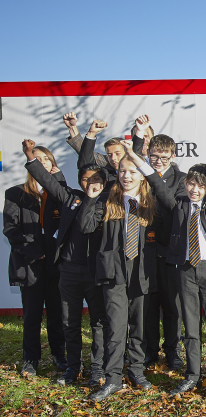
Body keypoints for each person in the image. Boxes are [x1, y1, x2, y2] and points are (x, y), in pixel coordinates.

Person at [125, 138, 206, 398]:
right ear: (185, 184)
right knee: (191, 327)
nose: (195, 190)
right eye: (191, 184)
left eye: (200, 186)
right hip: (184, 269)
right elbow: (156, 182)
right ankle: (192, 375)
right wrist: (135, 157)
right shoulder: (177, 206)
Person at [78, 145, 167, 402]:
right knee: (116, 326)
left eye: (132, 171)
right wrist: (91, 197)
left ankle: (137, 371)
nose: (126, 176)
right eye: (122, 171)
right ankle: (113, 378)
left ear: (141, 175)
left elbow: (163, 235)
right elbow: (85, 226)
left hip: (142, 272)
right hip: (113, 273)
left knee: (139, 325)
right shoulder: (108, 199)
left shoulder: (152, 205)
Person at [23, 141, 109, 387]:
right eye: (84, 179)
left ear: (103, 183)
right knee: (69, 322)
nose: (88, 183)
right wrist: (31, 158)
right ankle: (72, 367)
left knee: (98, 324)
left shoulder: (107, 205)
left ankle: (96, 369)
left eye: (95, 179)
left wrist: (94, 198)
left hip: (95, 273)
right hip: (69, 272)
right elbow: (48, 182)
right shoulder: (69, 198)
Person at [3, 144, 67, 376]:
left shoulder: (60, 195)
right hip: (29, 265)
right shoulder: (15, 193)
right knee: (31, 316)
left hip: (55, 265)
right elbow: (11, 229)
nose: (42, 163)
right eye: (36, 159)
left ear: (52, 164)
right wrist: (33, 251)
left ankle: (60, 356)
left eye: (46, 159)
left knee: (57, 314)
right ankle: (30, 360)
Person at [132, 121, 187, 370]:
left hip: (169, 251)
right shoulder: (138, 173)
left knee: (172, 306)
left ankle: (173, 351)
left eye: (164, 157)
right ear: (147, 152)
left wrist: (152, 177)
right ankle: (150, 350)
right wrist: (138, 136)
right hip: (143, 250)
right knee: (148, 305)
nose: (158, 161)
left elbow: (173, 208)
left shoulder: (183, 179)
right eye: (153, 156)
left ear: (173, 155)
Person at [66, 112, 153, 171]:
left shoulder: (158, 161)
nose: (143, 140)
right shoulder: (112, 161)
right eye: (137, 137)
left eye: (146, 136)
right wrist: (72, 128)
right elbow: (86, 155)